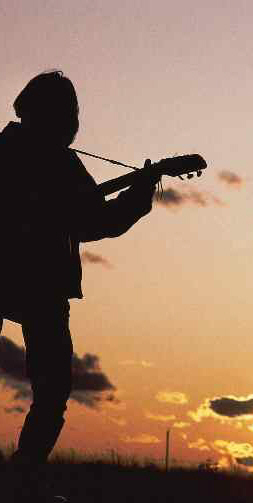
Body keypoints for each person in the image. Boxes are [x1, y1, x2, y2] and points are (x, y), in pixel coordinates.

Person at [0, 71, 159, 503]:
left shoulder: (48, 158)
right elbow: (98, 221)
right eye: (67, 113)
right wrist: (138, 198)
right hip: (41, 284)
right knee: (53, 392)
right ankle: (23, 481)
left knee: (53, 391)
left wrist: (135, 197)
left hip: (44, 287)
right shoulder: (43, 159)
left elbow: (92, 221)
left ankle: (22, 481)